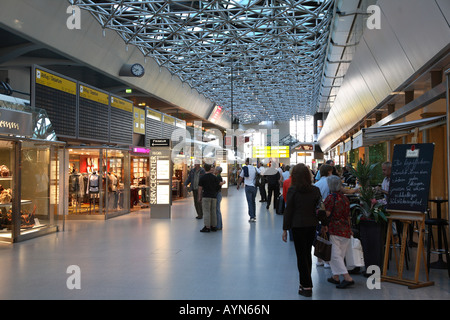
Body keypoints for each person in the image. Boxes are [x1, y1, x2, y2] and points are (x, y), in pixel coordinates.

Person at [282, 163, 322, 297]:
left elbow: (289, 210)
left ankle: (306, 285)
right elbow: (320, 208)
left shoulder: (293, 190)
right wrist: (325, 223)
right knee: (307, 254)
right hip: (312, 225)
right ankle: (305, 283)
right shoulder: (315, 190)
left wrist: (285, 229)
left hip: (297, 226)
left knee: (301, 256)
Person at [323, 175, 354, 289]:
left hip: (334, 228)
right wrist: (350, 229)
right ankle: (335, 277)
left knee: (334, 255)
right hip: (345, 229)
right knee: (340, 254)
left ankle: (347, 278)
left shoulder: (331, 198)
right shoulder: (345, 198)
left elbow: (326, 213)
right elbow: (348, 216)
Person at [198, 163, 220, 232]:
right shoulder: (214, 177)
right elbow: (218, 186)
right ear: (210, 168)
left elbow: (200, 188)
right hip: (213, 196)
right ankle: (213, 226)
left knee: (206, 211)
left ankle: (207, 227)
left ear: (204, 168)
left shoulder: (202, 178)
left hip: (206, 196)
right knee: (213, 211)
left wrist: (199, 197)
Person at [237, 158, 260, 222]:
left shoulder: (245, 168)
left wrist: (238, 184)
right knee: (253, 201)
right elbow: (261, 173)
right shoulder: (255, 168)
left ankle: (252, 217)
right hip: (254, 187)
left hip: (248, 187)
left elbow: (241, 177)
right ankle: (254, 215)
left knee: (249, 201)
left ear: (247, 162)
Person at [214, 166, 225, 230]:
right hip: (219, 193)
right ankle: (219, 225)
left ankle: (219, 225)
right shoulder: (218, 177)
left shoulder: (218, 177)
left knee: (217, 209)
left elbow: (218, 185)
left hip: (217, 194)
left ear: (217, 171)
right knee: (217, 209)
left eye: (215, 169)